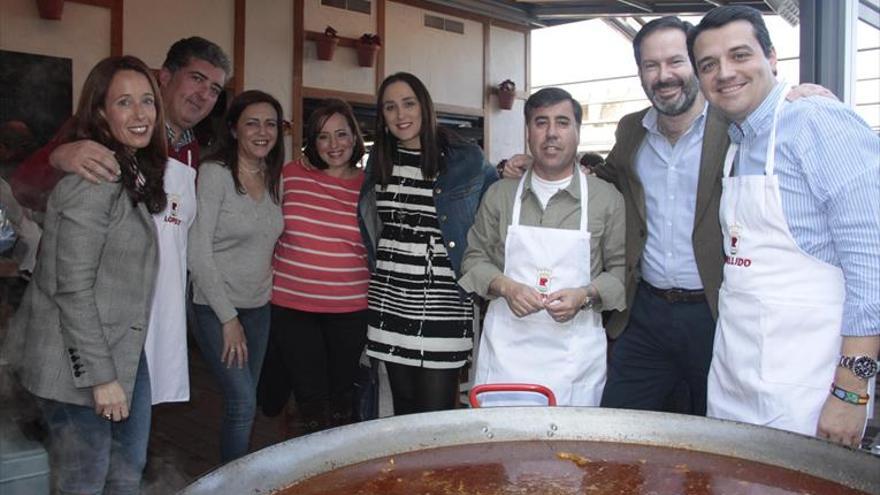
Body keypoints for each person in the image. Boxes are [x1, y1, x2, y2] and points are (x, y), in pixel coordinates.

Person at [501, 18, 835, 416]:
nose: (664, 76)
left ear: (696, 64)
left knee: (714, 436)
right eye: (650, 65)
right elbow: (611, 177)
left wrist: (796, 94)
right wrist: (534, 164)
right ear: (640, 72)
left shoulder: (734, 125)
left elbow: (765, 105)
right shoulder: (632, 130)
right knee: (617, 428)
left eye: (676, 61)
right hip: (646, 313)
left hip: (714, 313)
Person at [688, 5, 880, 446]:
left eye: (740, 55)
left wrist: (851, 391)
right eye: (709, 65)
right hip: (735, 382)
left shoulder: (817, 122)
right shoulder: (737, 141)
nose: (725, 73)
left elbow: (872, 266)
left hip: (807, 394)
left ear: (772, 58)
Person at [2, 55, 168, 494]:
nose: (140, 114)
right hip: (80, 365)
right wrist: (101, 377)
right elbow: (71, 288)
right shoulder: (93, 178)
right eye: (124, 103)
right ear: (99, 112)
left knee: (125, 475)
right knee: (85, 484)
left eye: (147, 101)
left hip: (122, 349)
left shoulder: (127, 168)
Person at [460, 87, 625, 406]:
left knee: (569, 453)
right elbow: (473, 259)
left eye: (562, 123)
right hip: (507, 355)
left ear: (578, 131)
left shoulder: (606, 199)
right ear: (527, 131)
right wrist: (506, 287)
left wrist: (584, 295)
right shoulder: (500, 194)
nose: (551, 133)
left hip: (573, 359)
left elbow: (619, 274)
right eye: (541, 122)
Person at [359, 72, 498, 415]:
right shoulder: (379, 158)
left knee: (435, 415)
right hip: (389, 297)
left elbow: (495, 203)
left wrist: (512, 172)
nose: (400, 114)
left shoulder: (464, 157)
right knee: (404, 411)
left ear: (425, 106)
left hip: (443, 300)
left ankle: (437, 472)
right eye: (390, 107)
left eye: (408, 103)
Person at [10, 36, 230, 211]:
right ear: (165, 76)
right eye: (197, 79)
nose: (203, 95)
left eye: (214, 89)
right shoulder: (102, 128)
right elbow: (23, 189)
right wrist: (58, 158)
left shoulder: (195, 152)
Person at [259, 98, 370, 434]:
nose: (334, 145)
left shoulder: (370, 187)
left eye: (341, 134)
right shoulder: (289, 174)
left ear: (355, 137)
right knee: (311, 399)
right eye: (323, 136)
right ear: (312, 140)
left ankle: (338, 471)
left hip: (350, 308)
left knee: (342, 399)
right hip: (293, 306)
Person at [187, 90, 284, 462]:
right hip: (215, 307)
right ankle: (233, 483)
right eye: (252, 123)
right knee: (242, 402)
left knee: (244, 400)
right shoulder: (214, 174)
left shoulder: (275, 178)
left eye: (271, 123)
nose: (263, 131)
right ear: (233, 129)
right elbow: (198, 252)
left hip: (259, 308)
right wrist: (228, 318)